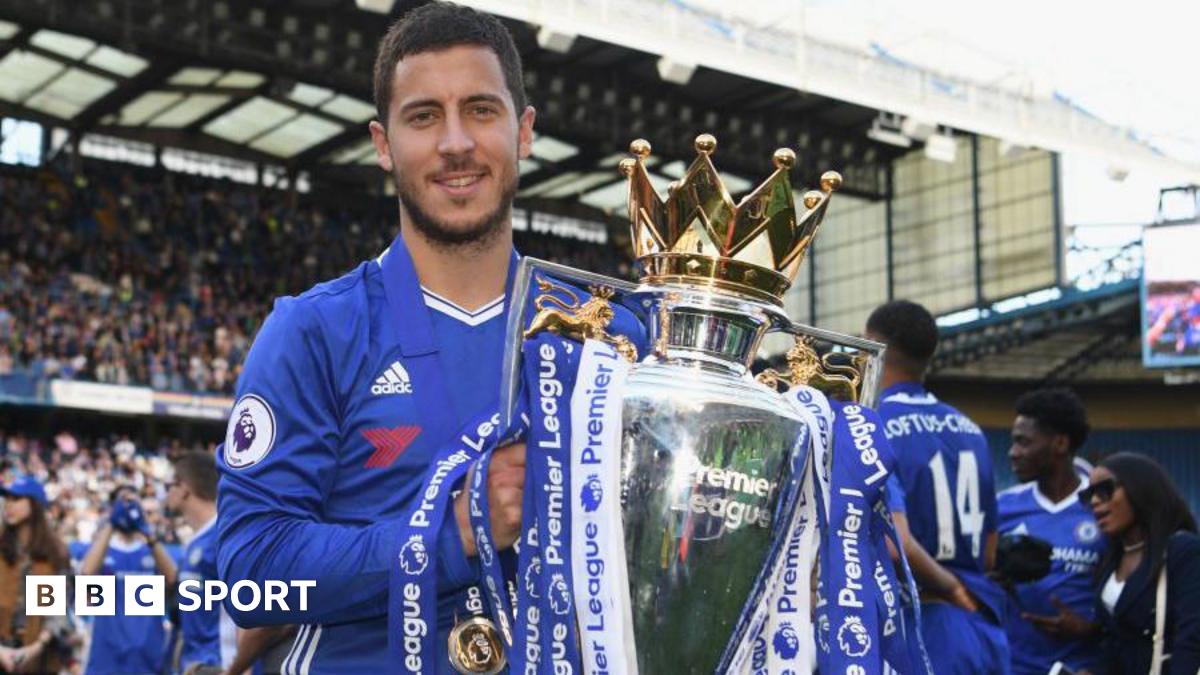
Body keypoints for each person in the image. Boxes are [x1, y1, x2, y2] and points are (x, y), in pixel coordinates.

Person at [216, 3, 532, 671]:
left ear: (523, 131)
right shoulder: (313, 330)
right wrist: (451, 535)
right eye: (423, 117)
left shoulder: (599, 333)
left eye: (480, 109)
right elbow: (250, 573)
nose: (455, 142)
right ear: (383, 143)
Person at [865, 299, 1009, 674]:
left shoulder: (873, 425)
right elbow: (990, 551)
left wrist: (949, 587)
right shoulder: (970, 430)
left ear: (874, 348)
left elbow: (895, 545)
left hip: (923, 620)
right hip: (981, 624)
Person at [999, 387, 1105, 675]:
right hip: (1015, 667)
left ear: (1060, 444)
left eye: (1024, 443)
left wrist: (1090, 628)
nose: (1013, 453)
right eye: (1013, 442)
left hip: (1084, 667)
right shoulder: (1003, 507)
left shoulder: (1102, 508)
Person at [1083, 452, 1200, 674]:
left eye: (1105, 490)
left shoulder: (1183, 551)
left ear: (1141, 490)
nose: (1095, 501)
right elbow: (1115, 645)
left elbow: (1192, 637)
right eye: (1089, 495)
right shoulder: (1109, 561)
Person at [79, 485, 178, 675]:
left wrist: (147, 532)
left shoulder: (153, 550)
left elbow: (173, 578)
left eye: (133, 502)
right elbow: (87, 575)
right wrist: (110, 524)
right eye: (122, 502)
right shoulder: (100, 551)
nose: (128, 508)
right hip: (107, 654)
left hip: (148, 652)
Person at [167, 451, 232, 673]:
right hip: (192, 664)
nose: (166, 493)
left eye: (170, 485)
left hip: (217, 664)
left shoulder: (222, 536)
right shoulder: (195, 541)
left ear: (184, 488)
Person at [0, 476, 69, 673]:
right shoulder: (2, 551)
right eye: (8, 499)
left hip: (38, 656)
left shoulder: (53, 554)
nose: (9, 505)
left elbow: (56, 612)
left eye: (17, 499)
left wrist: (35, 648)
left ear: (35, 505)